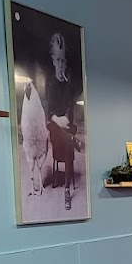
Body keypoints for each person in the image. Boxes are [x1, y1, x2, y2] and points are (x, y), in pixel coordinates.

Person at [45, 31, 80, 211]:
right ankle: (74, 141)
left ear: (66, 63)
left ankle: (67, 190)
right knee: (64, 136)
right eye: (57, 60)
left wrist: (62, 120)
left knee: (67, 137)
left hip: (66, 128)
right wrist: (58, 121)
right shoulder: (49, 83)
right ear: (53, 60)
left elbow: (69, 113)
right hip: (56, 130)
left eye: (63, 61)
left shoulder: (68, 87)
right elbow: (49, 112)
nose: (60, 65)